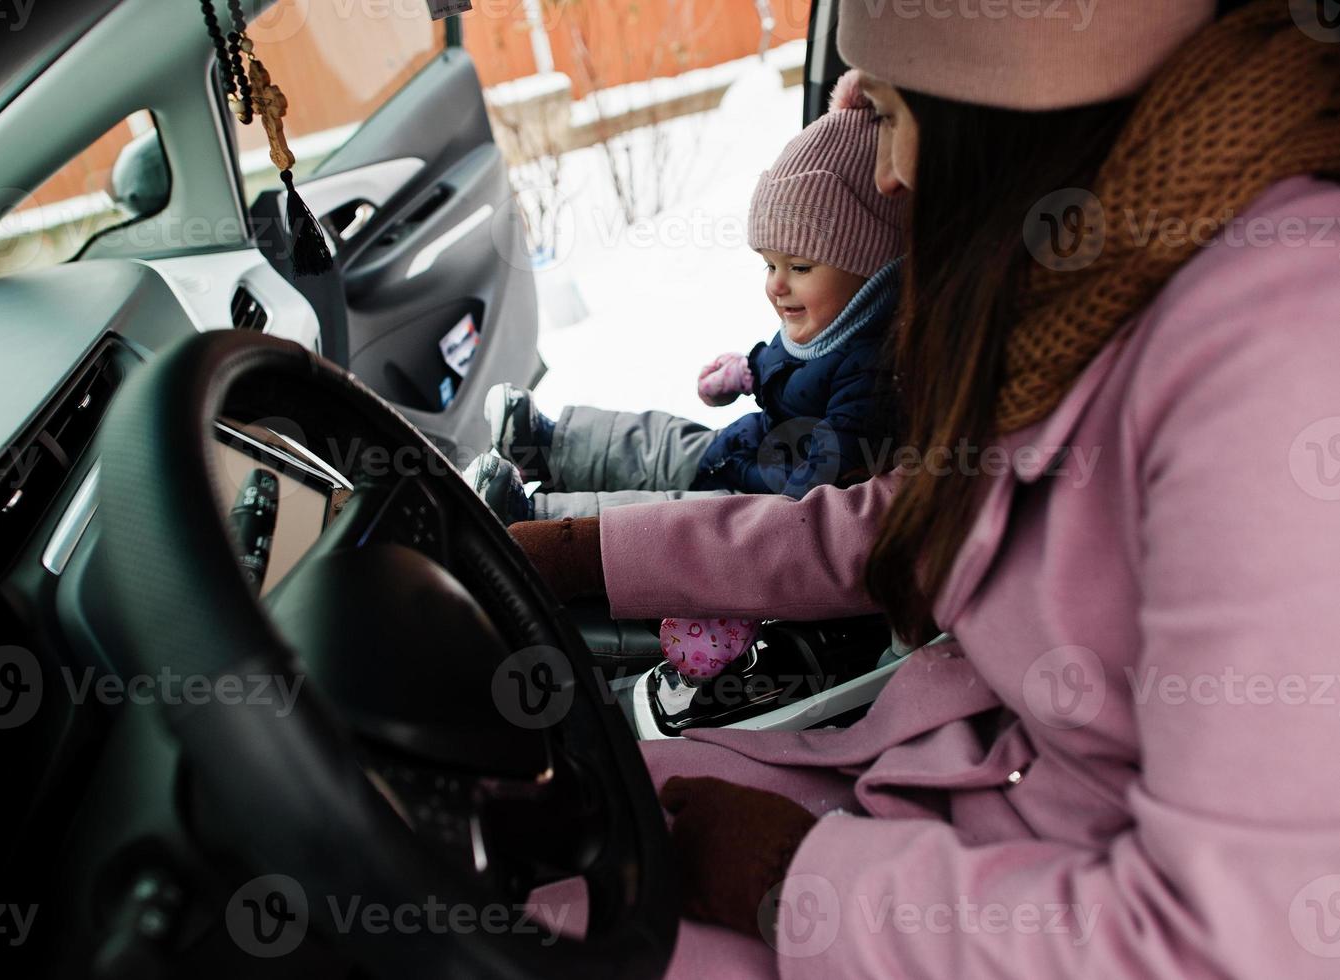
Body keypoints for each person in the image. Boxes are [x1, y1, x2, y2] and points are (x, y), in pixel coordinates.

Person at [511, 1, 1340, 976]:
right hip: (944, 818)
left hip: (1000, 909)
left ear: (1001, 111)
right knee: (545, 833)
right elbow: (895, 522)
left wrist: (789, 877)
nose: (891, 173)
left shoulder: (1278, 345)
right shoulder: (1094, 277)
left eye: (900, 115)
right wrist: (585, 555)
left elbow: (1233, 941)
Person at [465, 71, 905, 528]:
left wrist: (758, 484)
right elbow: (795, 376)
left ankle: (537, 522)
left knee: (670, 517)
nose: (776, 284)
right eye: (768, 265)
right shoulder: (828, 324)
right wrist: (751, 369)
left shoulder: (872, 373)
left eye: (799, 267)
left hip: (757, 504)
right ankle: (552, 444)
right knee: (667, 441)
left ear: (869, 267)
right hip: (749, 450)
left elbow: (819, 493)